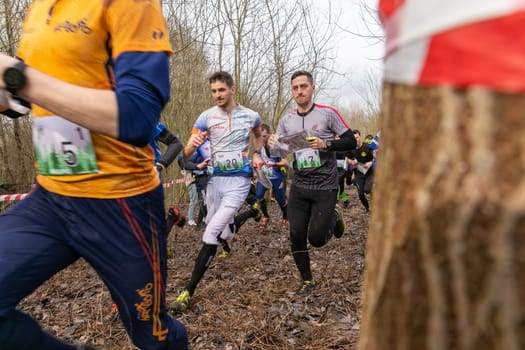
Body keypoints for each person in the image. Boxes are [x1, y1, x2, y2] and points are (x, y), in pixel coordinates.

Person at [0, 2, 188, 350]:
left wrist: (19, 78)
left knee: (154, 338)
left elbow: (137, 116)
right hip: (50, 199)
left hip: (121, 205)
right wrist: (9, 96)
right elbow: (40, 95)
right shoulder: (39, 6)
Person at [171, 71, 263, 313]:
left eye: (221, 90)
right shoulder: (206, 117)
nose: (217, 95)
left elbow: (258, 135)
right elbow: (186, 154)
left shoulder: (251, 116)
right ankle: (251, 214)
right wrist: (193, 145)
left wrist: (256, 154)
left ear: (232, 89)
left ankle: (188, 291)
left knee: (210, 233)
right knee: (223, 232)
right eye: (213, 91)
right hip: (215, 182)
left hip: (239, 182)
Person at [268, 70, 356, 297]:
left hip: (325, 185)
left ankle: (335, 216)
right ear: (291, 92)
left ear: (312, 88)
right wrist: (271, 144)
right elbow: (279, 151)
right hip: (299, 185)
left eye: (303, 87)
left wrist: (326, 144)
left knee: (316, 239)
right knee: (296, 234)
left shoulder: (328, 114)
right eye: (295, 88)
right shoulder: (286, 120)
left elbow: (350, 141)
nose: (299, 91)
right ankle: (307, 280)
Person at [254, 123, 289, 229]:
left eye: (265, 136)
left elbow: (286, 162)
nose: (263, 139)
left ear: (269, 135)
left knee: (280, 199)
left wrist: (274, 164)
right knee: (259, 196)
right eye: (261, 136)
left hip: (277, 178)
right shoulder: (259, 146)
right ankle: (266, 216)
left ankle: (285, 217)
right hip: (264, 177)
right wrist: (256, 167)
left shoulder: (276, 146)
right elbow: (256, 158)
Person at [177, 138, 211, 227]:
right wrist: (197, 167)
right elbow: (185, 162)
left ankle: (201, 222)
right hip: (198, 178)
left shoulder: (212, 144)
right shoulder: (198, 148)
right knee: (199, 200)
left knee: (206, 200)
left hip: (210, 177)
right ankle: (197, 220)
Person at [348, 129, 374, 213]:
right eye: (354, 138)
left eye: (357, 137)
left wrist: (370, 163)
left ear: (360, 137)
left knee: (367, 189)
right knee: (361, 193)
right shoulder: (351, 149)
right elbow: (347, 158)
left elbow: (377, 157)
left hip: (369, 172)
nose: (356, 139)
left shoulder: (367, 147)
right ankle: (367, 209)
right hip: (359, 173)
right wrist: (352, 162)